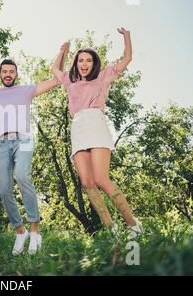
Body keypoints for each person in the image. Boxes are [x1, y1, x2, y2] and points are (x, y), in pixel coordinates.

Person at [0, 48, 67, 255]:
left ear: (16, 74)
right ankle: (20, 231)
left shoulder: (26, 90)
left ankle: (34, 230)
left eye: (11, 71)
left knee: (22, 176)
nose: (8, 74)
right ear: (0, 74)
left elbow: (56, 79)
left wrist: (62, 53)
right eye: (4, 71)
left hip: (23, 139)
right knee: (4, 188)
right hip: (2, 143)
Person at [51, 28, 143, 239]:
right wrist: (63, 52)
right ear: (76, 63)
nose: (84, 64)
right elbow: (54, 69)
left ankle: (133, 225)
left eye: (88, 61)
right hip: (78, 128)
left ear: (94, 64)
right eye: (80, 60)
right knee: (87, 183)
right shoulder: (70, 82)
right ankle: (112, 229)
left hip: (96, 124)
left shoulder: (102, 78)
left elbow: (127, 58)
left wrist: (127, 36)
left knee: (101, 179)